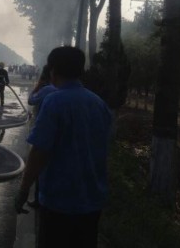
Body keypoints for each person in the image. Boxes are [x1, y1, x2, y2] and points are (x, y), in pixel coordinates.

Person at [15, 46, 112, 248]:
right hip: (92, 202)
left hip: (60, 202)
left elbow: (39, 152)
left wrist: (24, 190)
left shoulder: (54, 101)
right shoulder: (98, 103)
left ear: (53, 70)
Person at [26, 65, 57, 208]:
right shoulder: (92, 99)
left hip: (44, 131)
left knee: (40, 164)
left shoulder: (46, 90)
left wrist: (37, 87)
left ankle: (39, 199)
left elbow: (31, 100)